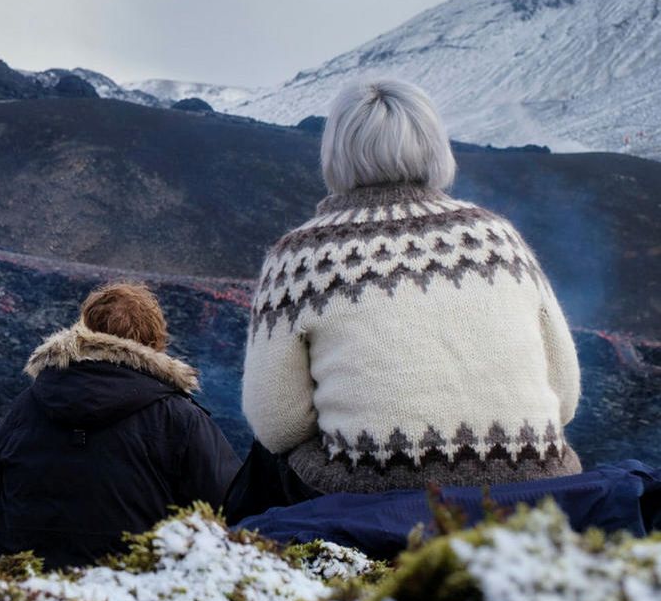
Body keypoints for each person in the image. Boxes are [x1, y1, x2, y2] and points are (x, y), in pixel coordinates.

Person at [231, 79, 580, 519]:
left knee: (263, 468)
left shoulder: (300, 259)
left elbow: (277, 424)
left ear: (334, 153)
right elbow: (563, 399)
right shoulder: (501, 241)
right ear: (435, 146)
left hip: (380, 504)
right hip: (536, 494)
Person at [0, 282, 240, 568]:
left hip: (18, 582)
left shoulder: (28, 405)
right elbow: (231, 502)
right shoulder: (178, 418)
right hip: (129, 587)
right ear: (154, 342)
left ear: (83, 332)